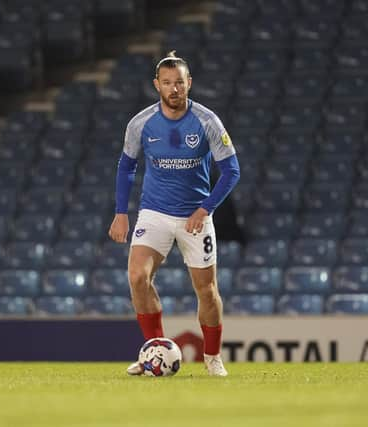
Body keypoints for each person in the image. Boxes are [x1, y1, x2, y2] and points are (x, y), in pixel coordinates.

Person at [107, 51, 240, 376]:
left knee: (207, 291)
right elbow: (126, 166)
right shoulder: (141, 123)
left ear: (189, 83)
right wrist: (121, 212)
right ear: (157, 85)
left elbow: (232, 170)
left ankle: (212, 358)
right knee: (138, 277)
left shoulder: (208, 121)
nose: (174, 89)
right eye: (167, 83)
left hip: (195, 217)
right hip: (154, 213)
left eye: (179, 82)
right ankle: (154, 352)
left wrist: (205, 208)